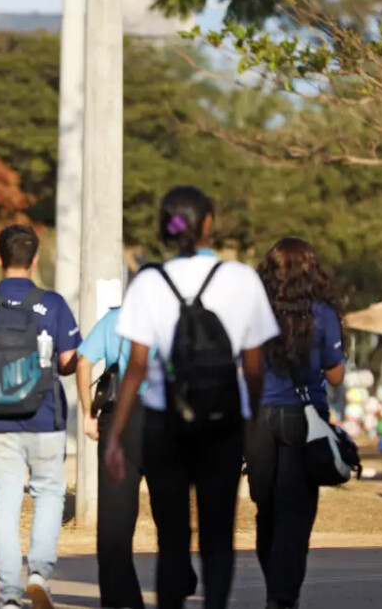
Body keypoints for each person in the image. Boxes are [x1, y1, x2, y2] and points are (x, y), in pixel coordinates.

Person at [103, 186, 280, 609]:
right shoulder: (241, 279)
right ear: (208, 223)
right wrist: (251, 417)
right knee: (219, 532)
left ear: (166, 228)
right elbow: (255, 365)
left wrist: (116, 435)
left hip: (165, 422)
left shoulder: (148, 282)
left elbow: (137, 367)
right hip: (223, 421)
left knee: (174, 538)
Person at [0, 224, 81, 609]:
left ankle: (9, 596)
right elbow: (66, 363)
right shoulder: (55, 304)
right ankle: (39, 574)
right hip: (46, 419)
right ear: (34, 258)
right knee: (48, 494)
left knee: (5, 505)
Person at [250, 237, 345, 609]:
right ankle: (283, 594)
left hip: (257, 418)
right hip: (305, 418)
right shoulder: (322, 313)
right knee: (297, 509)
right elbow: (335, 377)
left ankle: (277, 586)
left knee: (266, 506)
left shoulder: (253, 312)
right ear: (310, 270)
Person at [75, 303, 151, 609]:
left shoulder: (115, 317)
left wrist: (86, 413)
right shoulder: (172, 316)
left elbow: (83, 362)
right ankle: (179, 579)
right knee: (171, 517)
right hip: (164, 419)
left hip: (119, 418)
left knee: (114, 522)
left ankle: (119, 600)